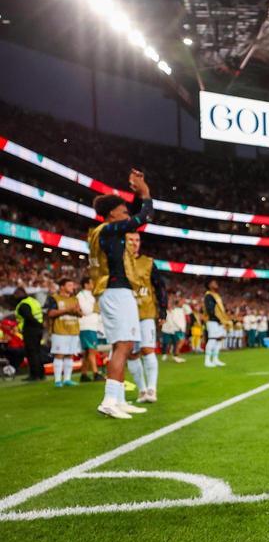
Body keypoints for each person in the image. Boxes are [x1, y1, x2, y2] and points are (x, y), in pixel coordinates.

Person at [88, 169, 152, 419]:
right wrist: (144, 192)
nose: (127, 213)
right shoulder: (109, 230)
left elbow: (136, 214)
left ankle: (120, 399)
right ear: (112, 213)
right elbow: (143, 216)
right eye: (123, 210)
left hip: (112, 291)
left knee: (120, 346)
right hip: (115, 291)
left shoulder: (101, 232)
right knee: (123, 346)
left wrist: (137, 192)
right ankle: (109, 400)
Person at [124, 231, 166, 403]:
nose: (135, 243)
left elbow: (160, 286)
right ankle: (141, 390)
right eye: (130, 240)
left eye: (137, 240)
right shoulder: (119, 262)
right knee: (132, 354)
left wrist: (163, 310)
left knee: (147, 349)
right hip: (125, 314)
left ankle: (152, 389)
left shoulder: (148, 262)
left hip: (145, 312)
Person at [44, 278, 82, 387]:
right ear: (62, 287)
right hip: (60, 330)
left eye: (72, 285)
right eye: (69, 285)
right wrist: (66, 310)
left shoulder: (75, 299)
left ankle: (67, 379)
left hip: (73, 330)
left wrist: (77, 312)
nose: (72, 287)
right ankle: (57, 380)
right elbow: (50, 313)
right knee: (59, 355)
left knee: (70, 355)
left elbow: (80, 314)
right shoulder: (54, 299)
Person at [13, 286, 46, 382]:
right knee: (37, 352)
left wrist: (38, 325)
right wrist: (40, 326)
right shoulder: (33, 301)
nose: (15, 297)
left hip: (30, 330)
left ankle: (34, 375)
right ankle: (41, 374)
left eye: (16, 294)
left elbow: (29, 317)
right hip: (38, 329)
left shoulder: (23, 304)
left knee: (32, 353)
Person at [76, 276, 102, 382]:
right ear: (86, 284)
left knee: (87, 352)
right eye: (91, 282)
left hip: (92, 325)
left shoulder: (91, 295)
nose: (93, 285)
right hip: (86, 326)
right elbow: (86, 310)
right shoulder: (81, 295)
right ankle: (95, 373)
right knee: (92, 350)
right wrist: (94, 307)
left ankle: (84, 374)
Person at [202, 280, 229, 367]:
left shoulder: (216, 295)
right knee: (212, 339)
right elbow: (210, 310)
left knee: (219, 339)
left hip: (220, 321)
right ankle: (207, 360)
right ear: (209, 285)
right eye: (213, 283)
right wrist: (218, 319)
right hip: (213, 320)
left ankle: (215, 359)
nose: (216, 284)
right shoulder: (208, 295)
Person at [161, 293, 188, 363]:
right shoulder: (175, 310)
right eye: (182, 302)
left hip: (178, 328)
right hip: (178, 329)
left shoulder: (181, 309)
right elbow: (175, 320)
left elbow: (188, 312)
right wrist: (180, 327)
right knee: (180, 342)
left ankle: (175, 355)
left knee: (178, 342)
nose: (183, 303)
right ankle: (175, 356)